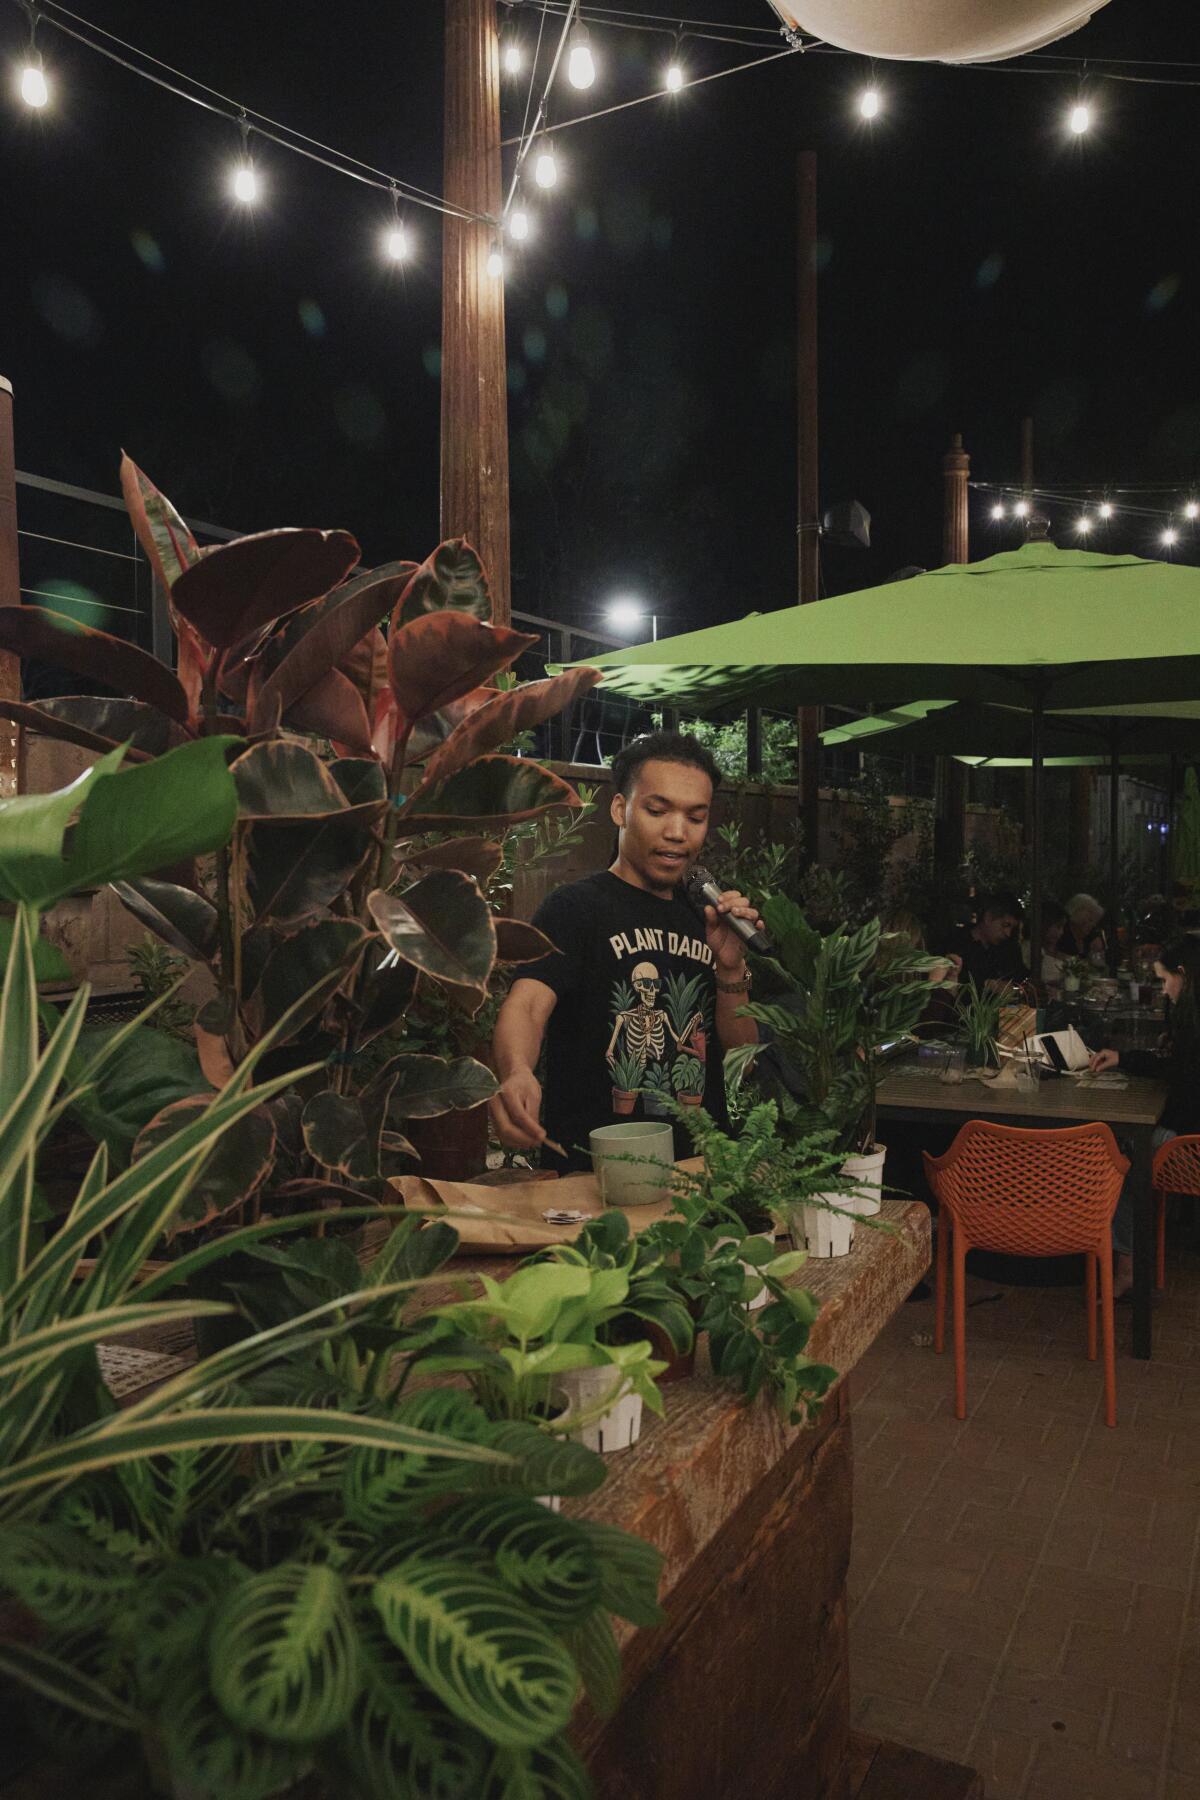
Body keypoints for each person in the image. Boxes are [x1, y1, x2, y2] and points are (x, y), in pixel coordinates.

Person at [490, 730, 762, 1171]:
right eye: (657, 810)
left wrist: (731, 970)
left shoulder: (708, 919)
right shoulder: (575, 908)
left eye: (695, 817)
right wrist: (516, 1071)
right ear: (621, 809)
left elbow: (742, 1063)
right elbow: (527, 1006)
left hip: (699, 1178)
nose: (677, 833)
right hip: (590, 1178)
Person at [1090, 937, 1200, 1297]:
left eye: (1166, 980)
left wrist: (1130, 1064)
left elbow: (1183, 1095)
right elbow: (1177, 1072)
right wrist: (1127, 1059)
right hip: (1190, 1136)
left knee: (1117, 1153)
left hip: (1190, 1149)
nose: (1165, 990)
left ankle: (1127, 1267)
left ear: (1183, 975)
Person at [940, 890, 1027, 990]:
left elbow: (1020, 978)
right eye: (1005, 925)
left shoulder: (1008, 949)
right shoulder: (956, 943)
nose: (1008, 933)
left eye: (1012, 928)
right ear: (988, 918)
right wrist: (988, 985)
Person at [1060, 892, 1107, 964]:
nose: (1093, 925)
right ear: (1076, 914)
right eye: (1090, 920)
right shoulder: (1061, 934)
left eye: (1095, 921)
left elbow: (1099, 962)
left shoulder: (1091, 937)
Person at [1031, 899, 1068, 984]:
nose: (1061, 932)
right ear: (1046, 924)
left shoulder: (1054, 948)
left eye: (1063, 927)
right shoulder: (1031, 949)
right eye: (1058, 927)